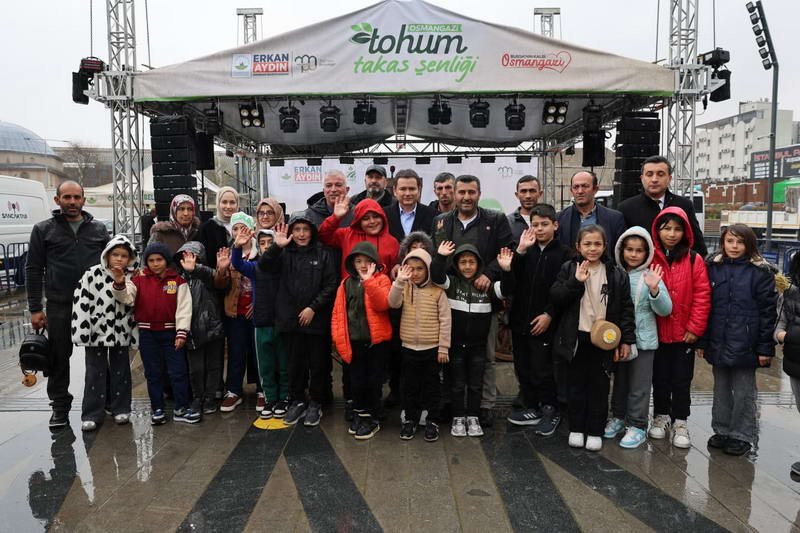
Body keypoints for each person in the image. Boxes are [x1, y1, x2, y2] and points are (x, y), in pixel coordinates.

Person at [431, 174, 514, 428]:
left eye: (471, 192)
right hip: (449, 300)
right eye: (462, 192)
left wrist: (488, 273)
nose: (466, 197)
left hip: (484, 299)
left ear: (479, 193)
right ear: (454, 194)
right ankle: (449, 402)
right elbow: (437, 256)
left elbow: (507, 251)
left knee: (486, 357)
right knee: (447, 354)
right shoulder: (441, 221)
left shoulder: (495, 219)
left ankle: (485, 406)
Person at [26, 180, 109, 428]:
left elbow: (111, 264)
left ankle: (101, 401)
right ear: (57, 200)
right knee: (59, 357)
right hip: (60, 304)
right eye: (67, 197)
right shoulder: (43, 230)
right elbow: (33, 269)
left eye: (76, 197)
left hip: (95, 304)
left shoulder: (99, 229)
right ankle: (60, 406)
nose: (72, 202)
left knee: (97, 356)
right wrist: (35, 308)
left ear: (83, 199)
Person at [550, 225, 636, 452]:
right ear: (578, 246)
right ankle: (576, 428)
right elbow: (556, 298)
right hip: (576, 337)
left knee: (600, 386)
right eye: (587, 244)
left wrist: (626, 339)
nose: (592, 248)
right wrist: (575, 281)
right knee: (575, 385)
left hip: (605, 339)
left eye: (597, 244)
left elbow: (626, 309)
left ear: (605, 246)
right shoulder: (569, 268)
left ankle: (595, 430)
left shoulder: (616, 273)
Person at [698, 224, 777, 456]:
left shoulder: (760, 272)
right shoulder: (713, 268)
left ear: (749, 245)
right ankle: (722, 429)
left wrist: (765, 348)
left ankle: (741, 434)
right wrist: (703, 341)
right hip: (718, 340)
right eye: (730, 241)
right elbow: (706, 306)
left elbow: (768, 313)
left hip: (747, 343)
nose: (734, 246)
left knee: (744, 391)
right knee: (720, 388)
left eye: (740, 242)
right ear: (723, 242)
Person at [259, 216, 337, 426]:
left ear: (312, 231)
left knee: (318, 364)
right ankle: (298, 400)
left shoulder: (323, 253)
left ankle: (316, 402)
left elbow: (331, 285)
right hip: (289, 320)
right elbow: (264, 267)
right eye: (297, 229)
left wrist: (313, 307)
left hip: (316, 320)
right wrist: (276, 246)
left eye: (305, 229)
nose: (301, 234)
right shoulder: (283, 253)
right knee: (295, 364)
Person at [432, 242, 513, 438]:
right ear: (456, 265)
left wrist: (506, 270)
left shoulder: (486, 287)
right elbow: (436, 276)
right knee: (457, 384)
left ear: (479, 264)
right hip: (456, 346)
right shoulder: (452, 284)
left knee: (476, 384)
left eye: (471, 262)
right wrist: (440, 257)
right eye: (463, 262)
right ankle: (458, 417)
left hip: (478, 346)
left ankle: (473, 417)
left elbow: (507, 288)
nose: (467, 266)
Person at [506, 204, 572, 435]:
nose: (540, 229)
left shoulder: (565, 254)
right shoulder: (525, 250)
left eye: (545, 224)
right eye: (535, 225)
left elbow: (565, 290)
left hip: (546, 322)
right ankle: (531, 406)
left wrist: (549, 314)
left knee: (543, 369)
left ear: (555, 225)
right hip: (520, 321)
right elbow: (511, 280)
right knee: (523, 367)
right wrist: (520, 251)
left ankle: (550, 409)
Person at [112, 242, 196, 425]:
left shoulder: (178, 281)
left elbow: (184, 308)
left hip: (171, 333)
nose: (155, 263)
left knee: (178, 372)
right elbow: (127, 298)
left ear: (166, 260)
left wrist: (182, 332)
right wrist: (119, 283)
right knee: (153, 373)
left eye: (159, 259)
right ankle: (157, 408)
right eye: (151, 260)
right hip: (148, 334)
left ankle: (181, 407)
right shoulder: (138, 280)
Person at [648, 207, 711, 448]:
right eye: (667, 229)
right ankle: (661, 416)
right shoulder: (651, 258)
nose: (672, 234)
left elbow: (702, 296)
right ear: (658, 231)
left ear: (685, 232)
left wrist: (695, 328)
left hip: (684, 334)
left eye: (677, 229)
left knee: (682, 380)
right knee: (660, 377)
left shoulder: (694, 259)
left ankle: (681, 421)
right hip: (657, 332)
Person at [605, 227, 672, 449]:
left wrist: (655, 290)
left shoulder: (650, 275)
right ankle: (618, 417)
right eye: (629, 249)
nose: (633, 254)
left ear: (647, 252)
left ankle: (637, 425)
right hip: (618, 339)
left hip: (643, 341)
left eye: (639, 250)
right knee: (620, 383)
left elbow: (665, 310)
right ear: (621, 250)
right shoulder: (615, 273)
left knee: (639, 385)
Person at [71, 234, 138, 432]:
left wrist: (120, 282)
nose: (119, 259)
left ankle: (121, 408)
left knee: (121, 371)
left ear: (130, 258)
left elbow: (131, 301)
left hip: (121, 331)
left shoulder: (132, 277)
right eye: (115, 254)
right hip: (96, 332)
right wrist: (82, 331)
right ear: (107, 255)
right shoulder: (91, 275)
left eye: (124, 256)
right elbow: (81, 303)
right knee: (94, 372)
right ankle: (92, 413)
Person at [331, 242, 392, 440]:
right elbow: (338, 314)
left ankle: (373, 417)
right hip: (354, 342)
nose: (363, 265)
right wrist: (338, 339)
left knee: (374, 381)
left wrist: (369, 281)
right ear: (352, 263)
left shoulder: (382, 280)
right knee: (357, 381)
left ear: (375, 262)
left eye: (368, 261)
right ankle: (360, 413)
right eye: (358, 261)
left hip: (376, 343)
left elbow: (382, 304)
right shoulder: (346, 284)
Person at [389, 249, 451, 442]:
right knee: (410, 386)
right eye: (411, 269)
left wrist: (443, 347)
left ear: (428, 270)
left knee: (432, 387)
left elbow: (445, 320)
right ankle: (410, 419)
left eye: (420, 269)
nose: (415, 273)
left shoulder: (437, 291)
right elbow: (393, 303)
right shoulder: (404, 288)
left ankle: (432, 420)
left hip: (431, 348)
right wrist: (399, 282)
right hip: (409, 347)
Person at [231, 227, 289, 420]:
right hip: (261, 322)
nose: (266, 246)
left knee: (283, 364)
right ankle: (270, 398)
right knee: (265, 365)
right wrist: (237, 246)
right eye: (262, 243)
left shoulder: (284, 265)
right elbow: (237, 264)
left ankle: (284, 397)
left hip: (281, 323)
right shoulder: (256, 268)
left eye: (270, 243)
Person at [174, 241, 228, 417]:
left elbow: (219, 282)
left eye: (193, 257)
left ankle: (210, 397)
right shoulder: (178, 279)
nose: (189, 260)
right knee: (196, 369)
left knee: (214, 366)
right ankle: (197, 398)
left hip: (213, 329)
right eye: (185, 257)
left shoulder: (208, 275)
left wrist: (195, 268)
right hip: (191, 331)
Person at [618, 155, 707, 256]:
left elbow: (697, 244)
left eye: (660, 174)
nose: (654, 179)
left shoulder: (684, 205)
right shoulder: (626, 208)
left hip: (678, 263)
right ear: (642, 178)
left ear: (669, 178)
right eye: (649, 174)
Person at [219, 212, 262, 412]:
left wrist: (258, 302)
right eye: (235, 229)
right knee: (236, 352)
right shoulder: (227, 254)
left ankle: (262, 390)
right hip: (235, 312)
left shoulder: (261, 253)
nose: (238, 232)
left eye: (243, 228)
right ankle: (233, 391)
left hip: (256, 314)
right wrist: (221, 270)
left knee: (258, 353)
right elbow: (220, 285)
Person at [319, 196, 400, 279]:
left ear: (383, 217)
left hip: (380, 286)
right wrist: (335, 217)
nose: (372, 221)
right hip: (350, 286)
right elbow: (323, 235)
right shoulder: (347, 234)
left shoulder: (392, 242)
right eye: (366, 218)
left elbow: (393, 272)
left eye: (376, 216)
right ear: (359, 221)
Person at [557, 171, 625, 256]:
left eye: (585, 186)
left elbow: (619, 252)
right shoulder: (559, 219)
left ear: (595, 189)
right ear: (571, 190)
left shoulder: (614, 219)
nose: (580, 191)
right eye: (576, 187)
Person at [775, 252, 800, 475]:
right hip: (795, 359)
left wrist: (791, 335)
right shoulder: (790, 292)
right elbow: (780, 324)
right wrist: (784, 336)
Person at [383, 169, 436, 242]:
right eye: (403, 189)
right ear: (395, 191)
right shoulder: (384, 215)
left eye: (412, 189)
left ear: (419, 190)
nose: (407, 193)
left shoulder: (433, 216)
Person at [197, 186, 239, 268]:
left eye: (232, 202)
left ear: (237, 204)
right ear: (218, 203)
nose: (228, 206)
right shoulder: (207, 228)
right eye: (224, 202)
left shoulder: (244, 225)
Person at [507, 175, 542, 242]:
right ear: (517, 195)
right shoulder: (507, 222)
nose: (528, 196)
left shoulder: (551, 219)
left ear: (540, 193)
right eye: (523, 191)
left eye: (532, 191)